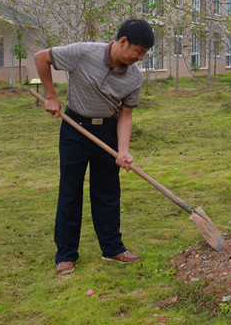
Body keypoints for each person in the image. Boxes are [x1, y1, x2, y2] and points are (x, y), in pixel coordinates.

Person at [34, 19, 155, 275]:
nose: (140, 58)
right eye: (139, 51)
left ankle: (112, 248)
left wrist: (123, 150)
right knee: (70, 191)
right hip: (75, 128)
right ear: (123, 41)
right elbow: (41, 57)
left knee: (108, 191)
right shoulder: (83, 52)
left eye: (144, 54)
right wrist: (50, 96)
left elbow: (126, 115)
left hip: (107, 131)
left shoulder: (134, 76)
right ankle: (66, 255)